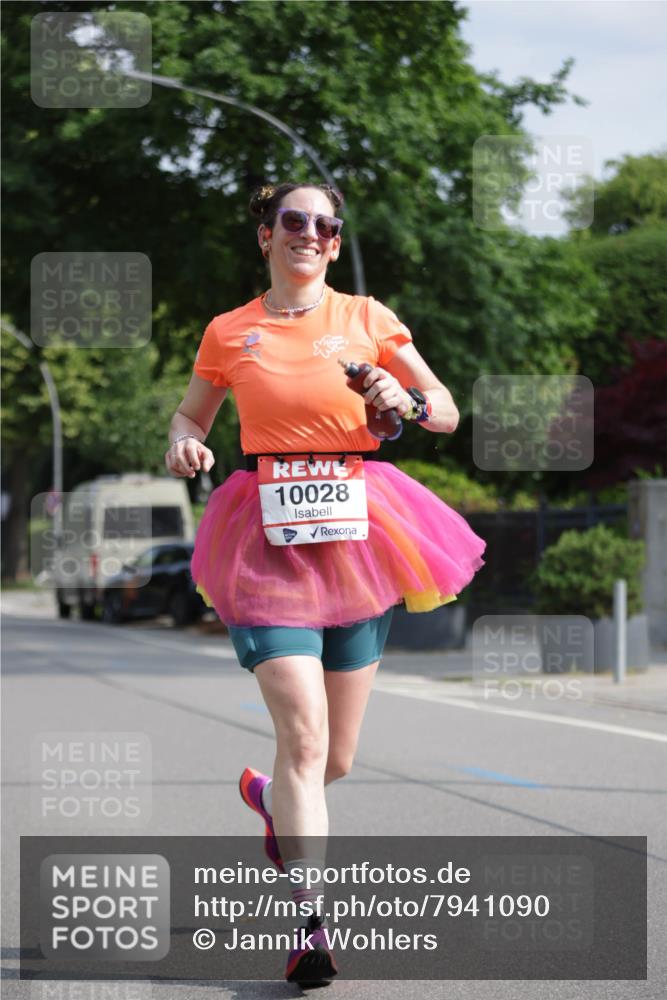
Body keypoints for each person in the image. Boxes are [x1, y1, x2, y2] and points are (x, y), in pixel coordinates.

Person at [165, 181, 486, 984]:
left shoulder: (367, 319)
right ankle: (310, 927)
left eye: (324, 226)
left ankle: (274, 800)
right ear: (266, 236)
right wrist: (184, 447)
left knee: (333, 757)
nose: (308, 234)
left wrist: (402, 398)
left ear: (334, 245)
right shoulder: (229, 332)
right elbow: (189, 418)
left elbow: (444, 409)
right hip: (265, 541)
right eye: (293, 222)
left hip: (361, 535)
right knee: (305, 737)